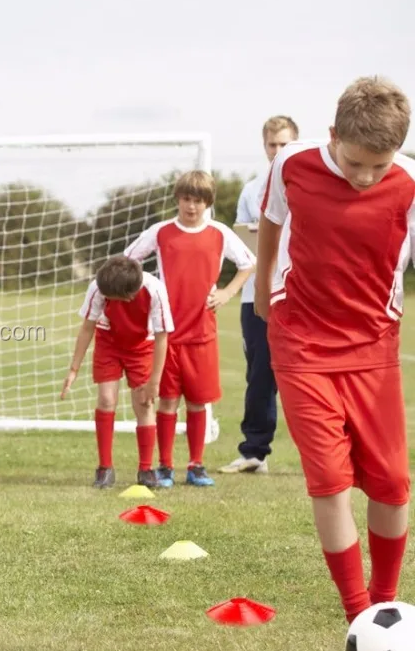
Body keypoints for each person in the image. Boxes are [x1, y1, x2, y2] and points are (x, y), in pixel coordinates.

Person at [256, 76, 413, 623]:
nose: (367, 177)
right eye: (354, 163)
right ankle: (358, 617)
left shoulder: (411, 181)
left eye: (380, 165)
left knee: (393, 486)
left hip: (374, 347)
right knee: (330, 481)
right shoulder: (291, 164)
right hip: (301, 344)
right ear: (332, 137)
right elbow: (271, 225)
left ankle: (386, 605)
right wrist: (261, 297)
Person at [125, 171, 256, 487]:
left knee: (199, 402)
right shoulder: (161, 232)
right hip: (166, 334)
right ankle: (166, 466)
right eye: (186, 199)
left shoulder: (220, 233)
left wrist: (226, 292)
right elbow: (129, 260)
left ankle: (196, 466)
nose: (191, 206)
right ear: (178, 199)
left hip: (202, 332)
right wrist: (147, 293)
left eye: (198, 200)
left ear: (207, 203)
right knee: (167, 401)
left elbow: (248, 262)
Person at [219, 115, 299, 475]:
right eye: (272, 145)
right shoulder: (251, 190)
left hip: (302, 295)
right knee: (260, 375)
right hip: (257, 296)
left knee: (308, 374)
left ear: (295, 143)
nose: (278, 151)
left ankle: (331, 455)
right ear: (264, 146)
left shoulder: (311, 187)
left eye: (284, 144)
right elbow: (240, 242)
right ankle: (254, 452)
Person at [61, 255, 173, 489]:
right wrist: (73, 369)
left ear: (128, 296)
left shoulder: (155, 290)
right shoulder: (99, 286)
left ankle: (145, 469)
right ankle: (105, 468)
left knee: (144, 404)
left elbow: (162, 338)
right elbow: (87, 328)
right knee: (106, 398)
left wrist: (155, 381)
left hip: (142, 345)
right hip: (108, 342)